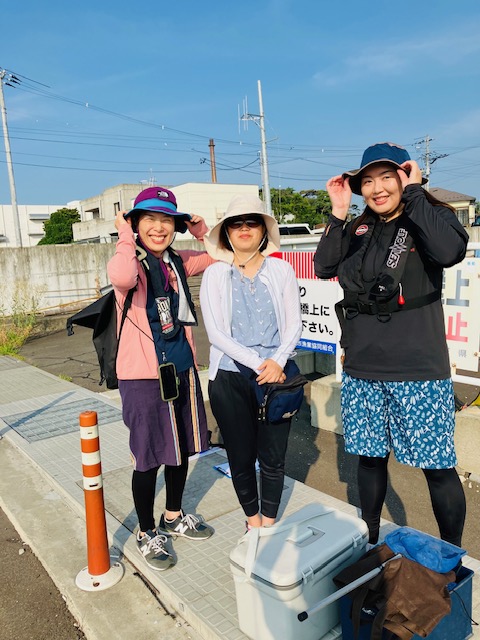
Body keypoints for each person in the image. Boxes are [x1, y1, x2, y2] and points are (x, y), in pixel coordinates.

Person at [314, 142, 468, 547]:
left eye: (387, 177)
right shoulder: (358, 228)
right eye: (367, 181)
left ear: (405, 177)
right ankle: (370, 539)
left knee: (437, 467)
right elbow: (324, 266)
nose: (377, 188)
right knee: (369, 459)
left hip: (418, 369)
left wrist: (416, 193)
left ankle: (450, 556)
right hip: (363, 367)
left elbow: (449, 251)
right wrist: (338, 210)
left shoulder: (430, 217)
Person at [108, 186, 215, 572]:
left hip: (181, 368)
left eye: (167, 220)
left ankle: (173, 515)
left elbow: (222, 254)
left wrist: (202, 232)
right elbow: (120, 276)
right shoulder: (130, 260)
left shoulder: (177, 261)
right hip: (143, 378)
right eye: (149, 219)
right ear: (136, 224)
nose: (159, 227)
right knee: (148, 457)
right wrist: (124, 233)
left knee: (181, 448)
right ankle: (146, 531)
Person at [200, 195, 302, 530]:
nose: (244, 228)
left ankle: (269, 523)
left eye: (252, 222)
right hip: (231, 376)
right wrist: (261, 363)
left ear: (263, 230)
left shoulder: (281, 269)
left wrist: (278, 360)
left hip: (277, 375)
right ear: (226, 233)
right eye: (236, 224)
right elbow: (216, 333)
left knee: (273, 457)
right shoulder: (215, 274)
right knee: (240, 456)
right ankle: (253, 522)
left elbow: (294, 324)